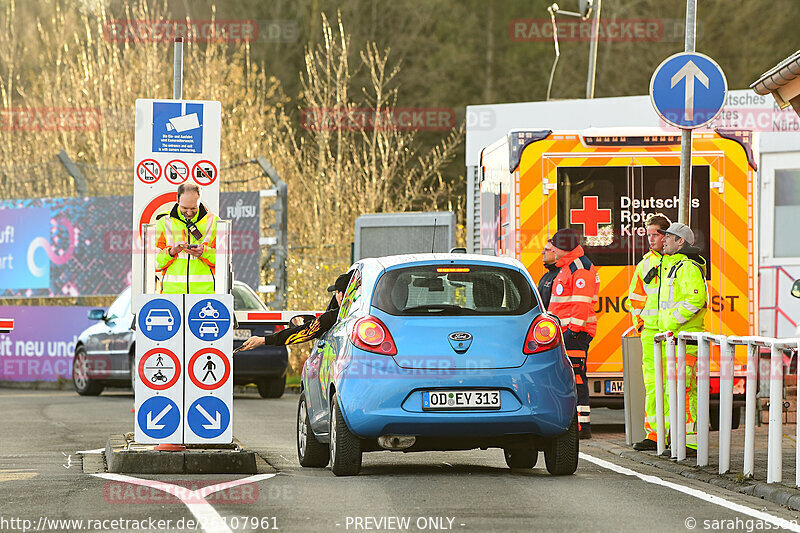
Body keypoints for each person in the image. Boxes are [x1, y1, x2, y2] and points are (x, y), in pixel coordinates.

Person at [657, 222, 708, 457]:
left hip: (685, 340)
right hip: (676, 340)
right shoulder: (674, 266)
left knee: (685, 392)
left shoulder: (687, 267)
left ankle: (689, 444)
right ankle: (678, 442)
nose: (664, 239)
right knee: (676, 392)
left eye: (669, 236)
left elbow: (695, 302)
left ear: (681, 242)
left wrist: (670, 322)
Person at [547, 228, 600, 439]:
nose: (553, 251)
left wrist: (572, 331)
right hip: (565, 332)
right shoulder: (568, 266)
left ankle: (582, 426)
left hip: (574, 334)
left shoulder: (580, 268)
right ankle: (575, 423)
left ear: (563, 249)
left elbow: (581, 304)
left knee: (576, 377)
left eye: (555, 247)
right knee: (571, 377)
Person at [628, 213, 671, 451]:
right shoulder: (645, 264)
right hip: (651, 335)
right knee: (654, 386)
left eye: (655, 234)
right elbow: (633, 298)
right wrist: (640, 323)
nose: (650, 239)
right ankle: (654, 435)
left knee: (675, 385)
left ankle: (674, 434)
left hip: (673, 335)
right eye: (648, 234)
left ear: (666, 236)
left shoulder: (676, 263)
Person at [239, 272, 352, 351]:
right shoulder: (361, 313)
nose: (337, 296)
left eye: (336, 292)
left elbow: (304, 331)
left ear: (341, 295)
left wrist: (262, 340)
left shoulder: (335, 316)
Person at [155, 183, 218, 294]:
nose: (189, 212)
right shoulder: (164, 223)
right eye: (185, 208)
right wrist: (171, 252)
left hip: (205, 294)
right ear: (177, 200)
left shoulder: (214, 222)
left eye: (193, 208)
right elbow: (155, 263)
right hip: (172, 294)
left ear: (200, 201)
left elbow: (226, 260)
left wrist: (204, 252)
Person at [537, 241, 560, 310]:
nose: (542, 252)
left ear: (556, 252)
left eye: (546, 250)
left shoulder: (560, 276)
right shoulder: (546, 276)